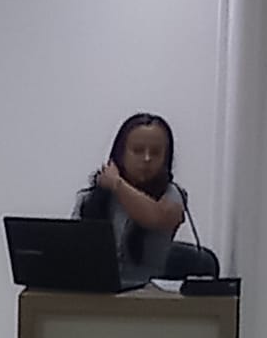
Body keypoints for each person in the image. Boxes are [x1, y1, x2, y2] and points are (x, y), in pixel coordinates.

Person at [73, 111, 187, 285]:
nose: (147, 159)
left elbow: (156, 217)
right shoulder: (90, 198)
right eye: (138, 151)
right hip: (94, 289)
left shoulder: (172, 194)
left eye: (155, 153)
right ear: (120, 153)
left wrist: (117, 184)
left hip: (146, 292)